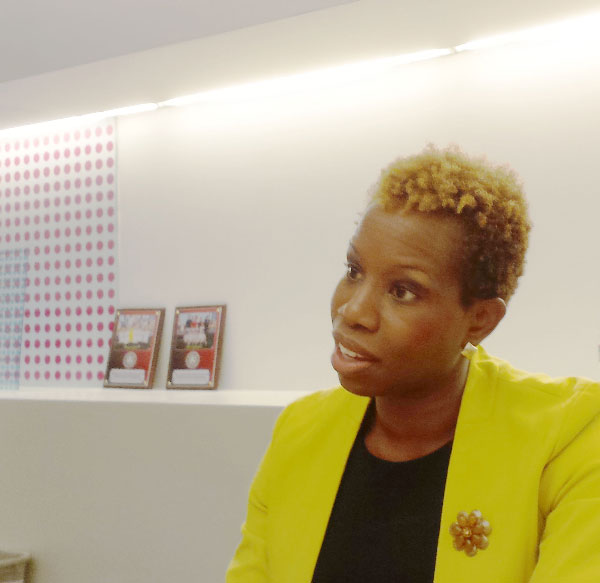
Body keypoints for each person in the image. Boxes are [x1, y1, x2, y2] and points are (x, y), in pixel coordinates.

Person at [226, 146, 600, 583]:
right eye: (353, 270)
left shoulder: (570, 436)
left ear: (479, 320)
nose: (353, 311)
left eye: (403, 291)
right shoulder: (300, 432)